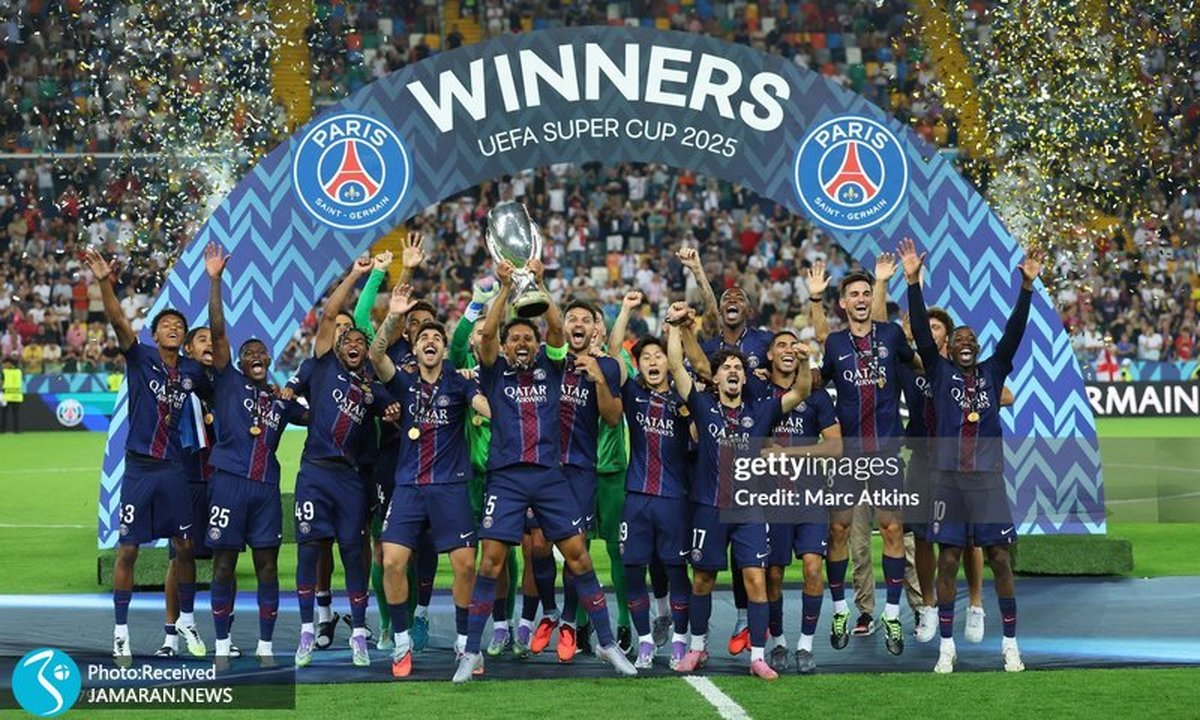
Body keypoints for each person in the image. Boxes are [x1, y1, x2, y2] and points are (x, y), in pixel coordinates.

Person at [452, 257, 635, 683]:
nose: (521, 343)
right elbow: (487, 337)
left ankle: (607, 643)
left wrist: (537, 283)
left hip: (550, 476)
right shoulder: (493, 372)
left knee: (579, 556)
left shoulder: (552, 368)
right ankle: (471, 652)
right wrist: (503, 289)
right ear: (505, 345)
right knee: (491, 562)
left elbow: (554, 327)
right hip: (506, 478)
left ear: (538, 346)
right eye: (514, 338)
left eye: (527, 338)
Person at [899, 237, 1040, 673]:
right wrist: (913, 282)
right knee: (947, 559)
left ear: (977, 347)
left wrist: (1027, 288)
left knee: (1000, 558)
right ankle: (947, 647)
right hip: (947, 480)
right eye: (957, 338)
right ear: (950, 347)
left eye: (970, 338)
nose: (963, 342)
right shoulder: (939, 372)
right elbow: (921, 331)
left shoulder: (993, 371)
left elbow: (1014, 333)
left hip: (987, 480)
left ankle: (1010, 645)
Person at [666, 301, 812, 680]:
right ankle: (697, 648)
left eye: (738, 368)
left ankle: (758, 657)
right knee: (703, 579)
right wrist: (674, 327)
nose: (733, 371)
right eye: (726, 367)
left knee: (755, 580)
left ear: (745, 379)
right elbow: (678, 369)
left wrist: (805, 360)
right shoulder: (702, 406)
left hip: (750, 510)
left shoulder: (761, 411)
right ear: (715, 379)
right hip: (708, 506)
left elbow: (800, 390)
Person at [85, 247, 210, 663]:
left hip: (174, 470)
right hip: (139, 468)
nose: (173, 328)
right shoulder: (140, 358)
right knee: (128, 551)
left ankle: (186, 620)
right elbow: (119, 321)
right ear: (155, 336)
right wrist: (104, 282)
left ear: (184, 338)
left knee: (186, 546)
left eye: (179, 326)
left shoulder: (192, 372)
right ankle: (120, 632)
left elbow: (219, 374)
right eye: (166, 325)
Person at [369, 282, 490, 677]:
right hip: (408, 486)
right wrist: (394, 314)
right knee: (392, 561)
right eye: (424, 338)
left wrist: (497, 410)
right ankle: (402, 643)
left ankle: (465, 644)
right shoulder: (404, 383)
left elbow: (481, 404)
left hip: (450, 486)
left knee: (465, 565)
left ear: (443, 348)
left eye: (437, 338)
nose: (431, 342)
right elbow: (376, 355)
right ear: (416, 348)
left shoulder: (459, 382)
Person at [291, 256, 401, 668]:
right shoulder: (322, 366)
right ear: (337, 347)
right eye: (347, 340)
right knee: (308, 551)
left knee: (354, 553)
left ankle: (358, 634)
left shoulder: (371, 385)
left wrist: (391, 412)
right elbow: (330, 314)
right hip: (315, 474)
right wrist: (356, 274)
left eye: (359, 341)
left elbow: (392, 410)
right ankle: (307, 631)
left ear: (365, 351)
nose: (353, 344)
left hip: (352, 480)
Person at [203, 242, 304, 660]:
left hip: (265, 490)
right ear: (240, 363)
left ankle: (265, 645)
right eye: (250, 354)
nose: (257, 356)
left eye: (262, 353)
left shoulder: (281, 401)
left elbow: (321, 416)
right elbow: (218, 331)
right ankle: (222, 644)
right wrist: (215, 280)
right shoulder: (228, 381)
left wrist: (297, 391)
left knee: (268, 567)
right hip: (228, 484)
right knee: (224, 564)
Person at [816, 263, 915, 656]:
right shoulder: (834, 344)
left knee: (892, 530)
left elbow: (918, 364)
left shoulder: (891, 335)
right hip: (848, 454)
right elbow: (818, 383)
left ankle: (891, 613)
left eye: (866, 294)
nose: (860, 299)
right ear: (843, 303)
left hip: (886, 451)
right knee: (838, 531)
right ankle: (841, 609)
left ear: (873, 300)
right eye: (853, 294)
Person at [682, 245, 774, 654]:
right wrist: (698, 271)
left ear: (750, 310)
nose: (731, 301)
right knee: (705, 559)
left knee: (753, 564)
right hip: (707, 443)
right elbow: (699, 354)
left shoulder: (764, 341)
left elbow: (784, 378)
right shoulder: (710, 342)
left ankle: (745, 624)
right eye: (725, 299)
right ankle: (696, 640)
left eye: (739, 298)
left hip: (750, 441)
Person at [609, 291, 693, 670]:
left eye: (659, 356)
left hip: (674, 498)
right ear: (639, 365)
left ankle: (679, 640)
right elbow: (614, 353)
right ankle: (645, 641)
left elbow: (679, 365)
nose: (653, 362)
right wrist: (626, 310)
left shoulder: (683, 397)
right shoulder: (633, 394)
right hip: (637, 496)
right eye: (646, 358)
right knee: (632, 569)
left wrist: (673, 328)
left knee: (676, 570)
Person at [751, 330, 841, 674]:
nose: (788, 350)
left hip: (809, 496)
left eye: (793, 345)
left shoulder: (817, 397)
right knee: (773, 573)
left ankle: (805, 645)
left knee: (813, 568)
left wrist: (788, 453)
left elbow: (835, 447)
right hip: (770, 497)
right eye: (781, 346)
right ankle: (778, 642)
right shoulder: (757, 391)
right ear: (769, 356)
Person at [158, 324, 218, 657]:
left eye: (212, 339)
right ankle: (170, 638)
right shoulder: (177, 384)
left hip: (221, 479)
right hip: (186, 477)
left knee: (224, 557)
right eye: (201, 340)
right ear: (189, 350)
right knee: (179, 557)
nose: (209, 344)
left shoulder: (227, 384)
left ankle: (224, 638)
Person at [0, 355, 22, 433]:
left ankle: (2, 430)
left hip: (6, 396)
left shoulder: (4, 372)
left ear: (9, 363)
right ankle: (16, 430)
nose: (3, 365)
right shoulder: (19, 371)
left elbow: (1, 383)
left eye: (4, 363)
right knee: (15, 414)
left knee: (3, 414)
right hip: (17, 396)